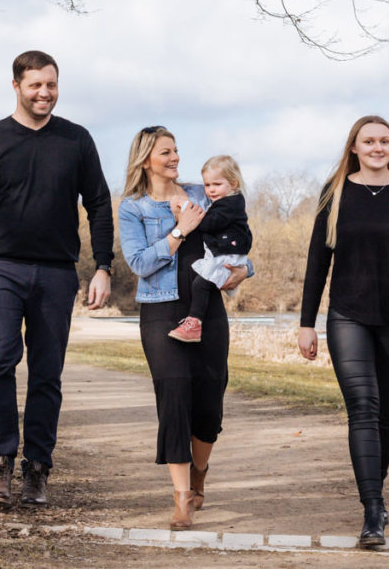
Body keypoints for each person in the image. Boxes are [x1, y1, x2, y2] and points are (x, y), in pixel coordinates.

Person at [0, 50, 114, 508]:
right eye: (35, 85)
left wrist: (103, 267)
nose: (44, 93)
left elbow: (97, 203)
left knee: (47, 372)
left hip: (57, 273)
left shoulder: (76, 140)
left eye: (51, 84)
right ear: (16, 85)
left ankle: (38, 467)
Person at [297, 116, 389, 546]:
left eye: (384, 140)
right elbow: (318, 261)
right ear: (353, 147)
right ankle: (373, 512)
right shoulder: (335, 192)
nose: (377, 147)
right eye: (368, 141)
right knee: (363, 407)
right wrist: (306, 323)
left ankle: (376, 490)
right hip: (348, 316)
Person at [118, 126, 250, 530]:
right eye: (166, 152)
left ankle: (199, 475)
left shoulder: (200, 193)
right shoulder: (132, 207)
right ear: (146, 159)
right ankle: (181, 498)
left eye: (176, 151)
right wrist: (180, 231)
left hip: (206, 307)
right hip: (160, 310)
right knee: (173, 397)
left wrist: (244, 270)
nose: (175, 158)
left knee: (210, 400)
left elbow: (238, 237)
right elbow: (139, 264)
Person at [168, 155, 253, 343]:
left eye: (217, 184)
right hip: (225, 251)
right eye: (207, 185)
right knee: (202, 282)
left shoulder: (230, 204)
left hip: (227, 253)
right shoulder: (226, 202)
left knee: (200, 284)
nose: (211, 190)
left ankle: (194, 323)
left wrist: (185, 209)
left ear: (233, 183)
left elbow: (208, 224)